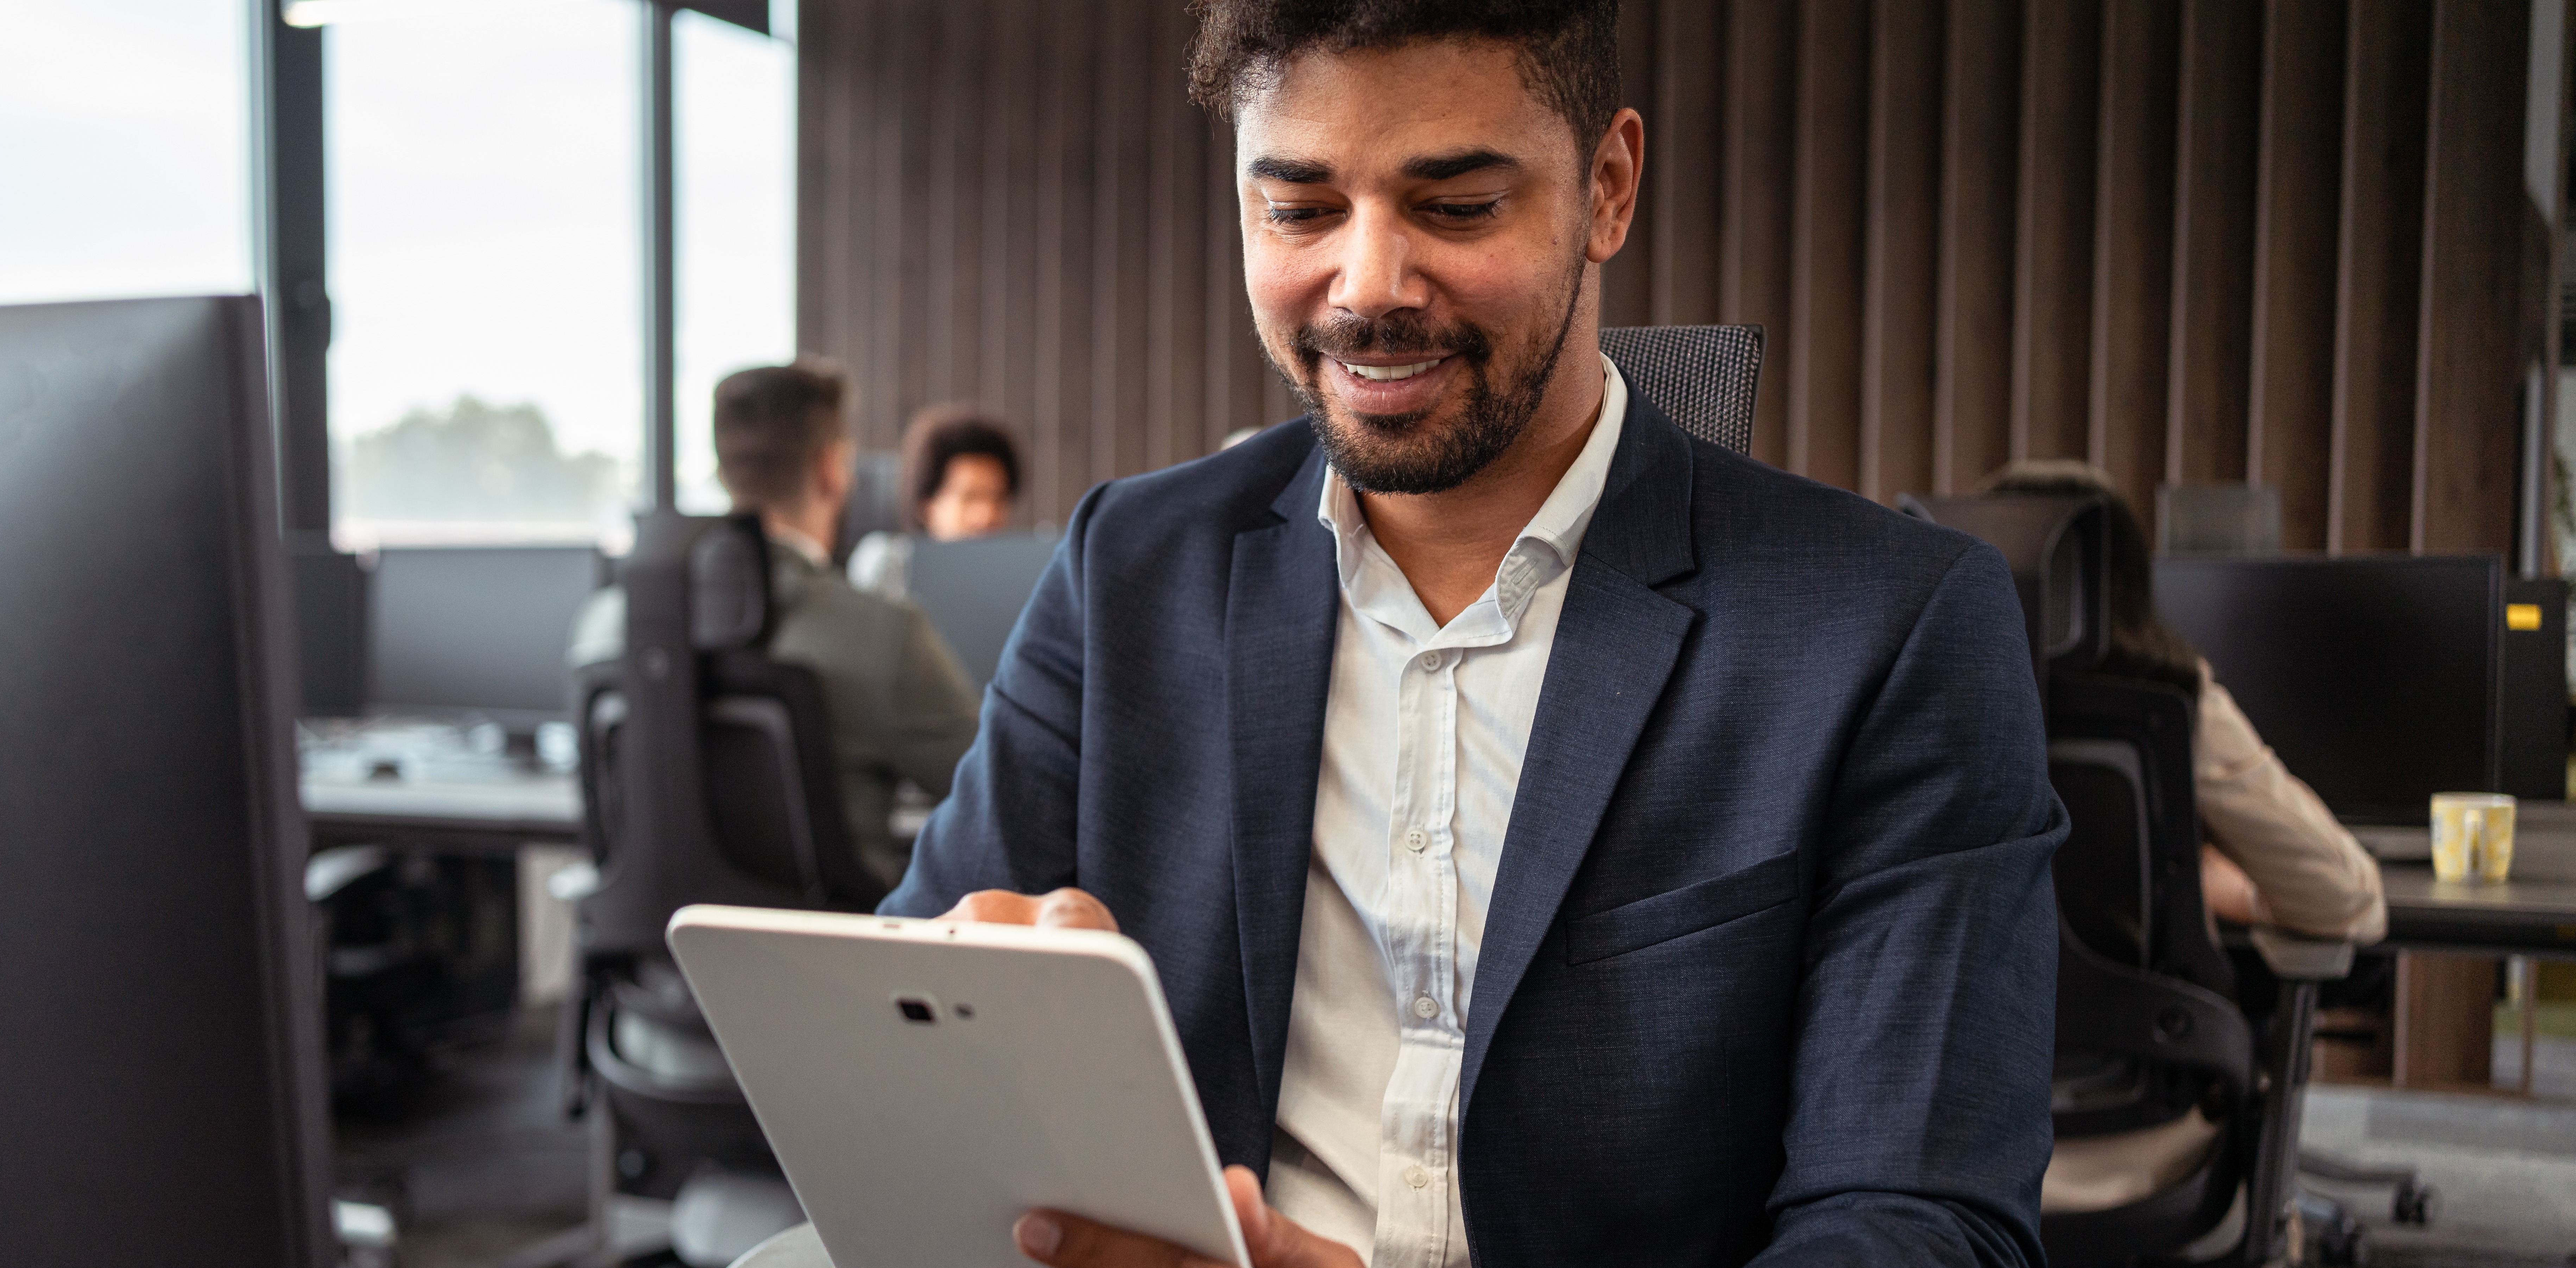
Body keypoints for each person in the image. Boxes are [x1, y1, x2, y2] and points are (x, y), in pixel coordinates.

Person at [883, 4, 2066, 1266]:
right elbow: (895, 1017)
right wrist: (955, 1029)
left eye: (1451, 207)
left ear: (1605, 189)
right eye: (1297, 210)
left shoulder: (1885, 628)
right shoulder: (1127, 569)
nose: (1366, 286)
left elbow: (1917, 1225)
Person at [1983, 461, 2386, 1233]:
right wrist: (2222, 883)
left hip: (1939, 1139)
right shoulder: (2167, 706)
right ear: (2126, 585)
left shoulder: (1912, 695)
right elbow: (2350, 899)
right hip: (2139, 1134)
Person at [683, 361, 983, 885]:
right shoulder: (883, 635)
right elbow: (1004, 800)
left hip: (673, 957)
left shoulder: (610, 627)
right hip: (832, 960)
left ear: (726, 471)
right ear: (831, 469)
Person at [848, 405, 1027, 598]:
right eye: (970, 497)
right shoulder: (890, 566)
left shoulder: (1021, 580)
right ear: (927, 504)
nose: (987, 514)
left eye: (999, 498)